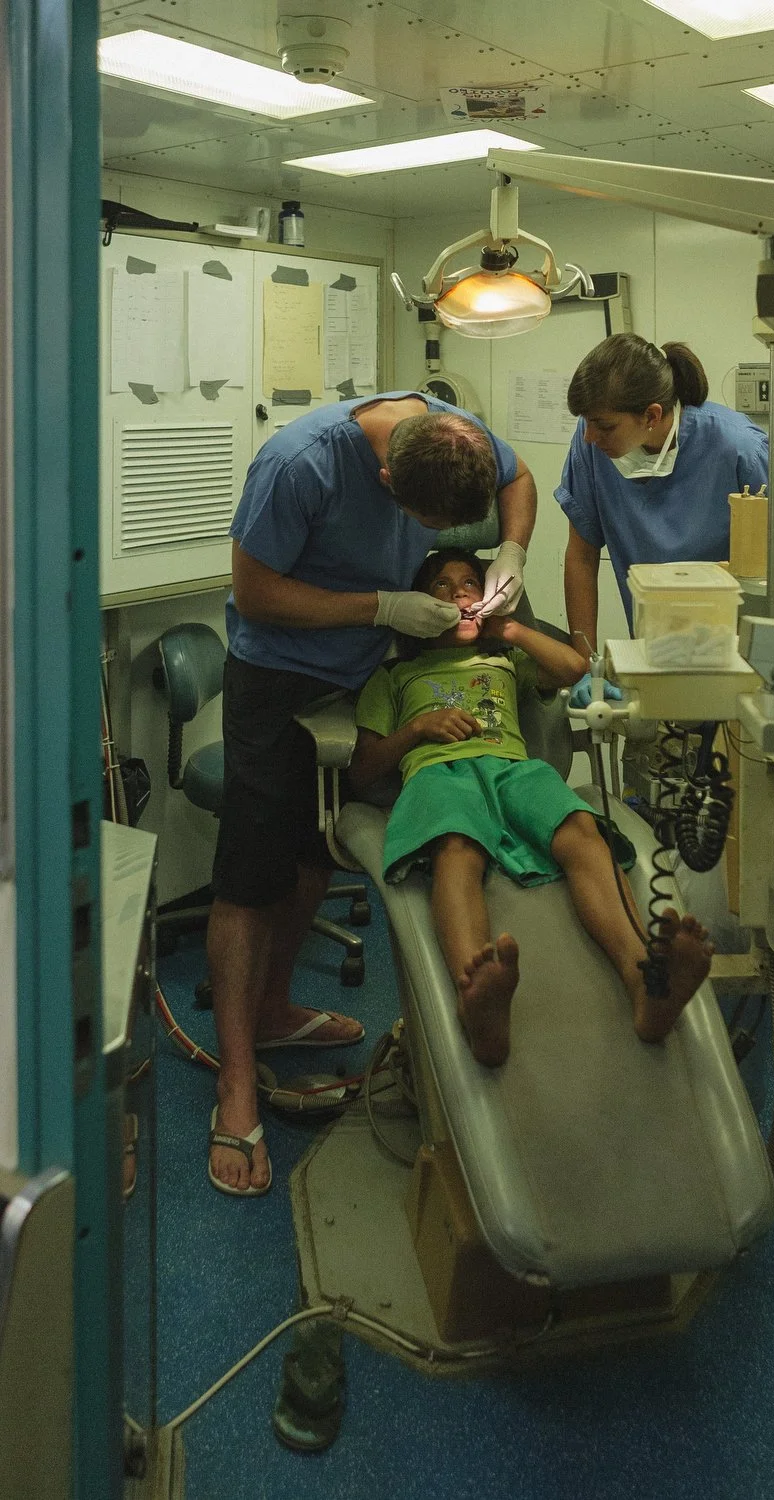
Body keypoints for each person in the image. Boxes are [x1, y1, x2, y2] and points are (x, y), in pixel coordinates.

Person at [207, 393, 537, 1196]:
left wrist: (514, 551)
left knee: (318, 846)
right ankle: (237, 1081)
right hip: (278, 674)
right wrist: (382, 604)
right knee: (253, 872)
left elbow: (520, 479)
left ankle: (280, 1007)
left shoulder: (452, 432)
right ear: (386, 474)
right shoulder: (299, 465)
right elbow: (254, 593)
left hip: (364, 670)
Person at [348, 548, 714, 1069]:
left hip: (514, 769)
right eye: (442, 589)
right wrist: (416, 729)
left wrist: (511, 629)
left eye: (470, 584)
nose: (458, 595)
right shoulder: (395, 676)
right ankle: (478, 1001)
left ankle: (644, 984)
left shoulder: (506, 661)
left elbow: (571, 667)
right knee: (457, 847)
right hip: (438, 773)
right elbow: (362, 770)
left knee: (581, 831)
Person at [557, 335, 774, 703]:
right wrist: (585, 664)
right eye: (586, 423)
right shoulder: (591, 444)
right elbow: (581, 554)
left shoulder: (736, 446)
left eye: (604, 426)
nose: (590, 436)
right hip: (652, 659)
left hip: (737, 666)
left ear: (652, 415)